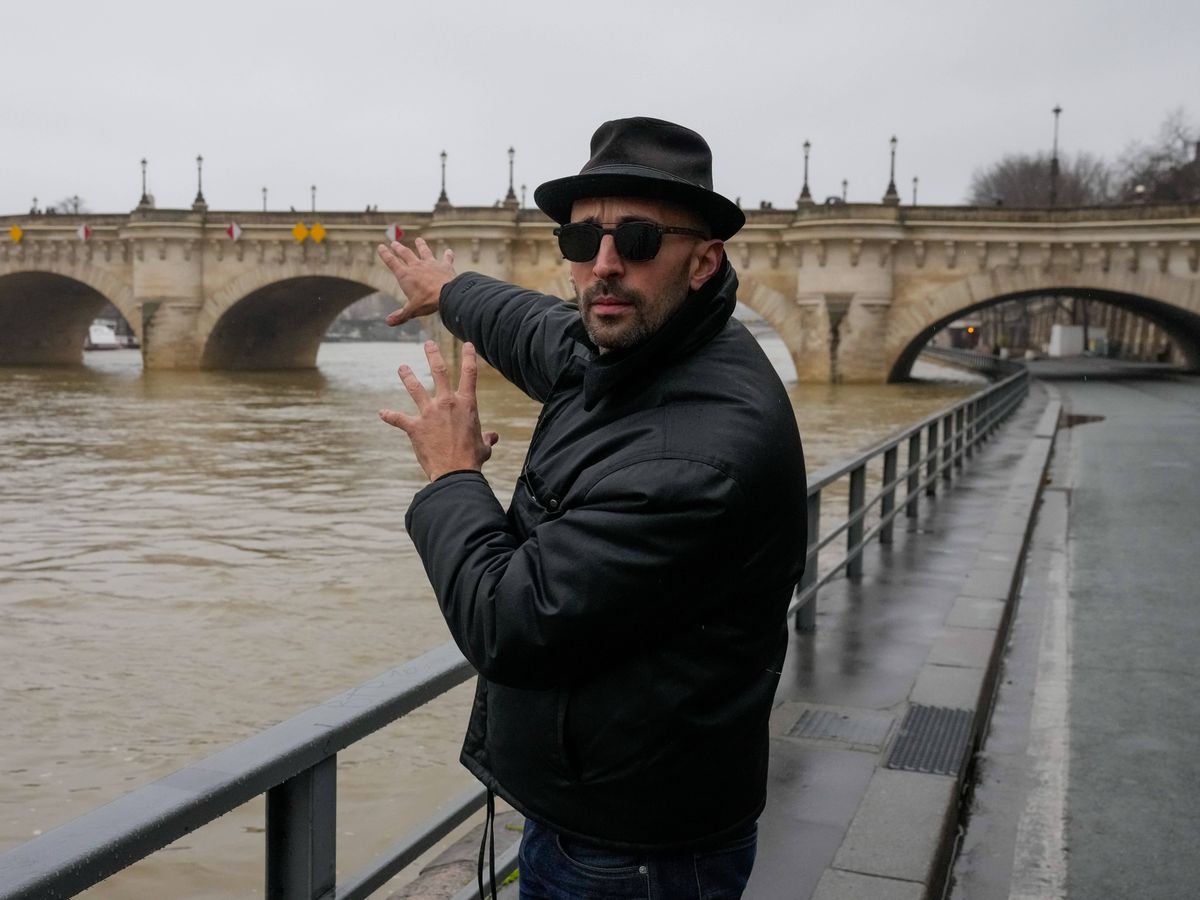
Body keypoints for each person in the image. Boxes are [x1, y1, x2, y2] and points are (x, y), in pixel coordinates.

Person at [377, 117, 806, 899]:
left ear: (704, 260)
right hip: (606, 799)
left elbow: (510, 624)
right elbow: (541, 331)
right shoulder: (640, 345)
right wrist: (453, 293)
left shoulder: (694, 455)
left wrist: (451, 477)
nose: (604, 266)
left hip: (631, 849)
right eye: (582, 243)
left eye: (638, 240)